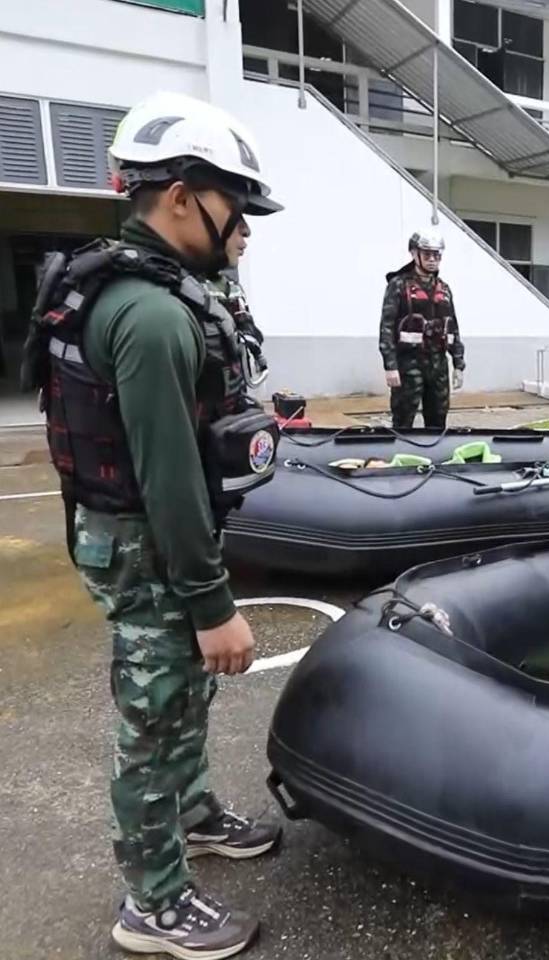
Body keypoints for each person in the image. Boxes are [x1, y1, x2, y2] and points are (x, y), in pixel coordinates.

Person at [23, 91, 285, 959]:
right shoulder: (152, 314)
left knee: (182, 693)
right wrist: (212, 605)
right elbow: (167, 475)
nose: (244, 228)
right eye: (235, 206)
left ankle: (195, 813)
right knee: (154, 713)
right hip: (146, 546)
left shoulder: (154, 289)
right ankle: (154, 902)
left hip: (146, 537)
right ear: (179, 196)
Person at [379, 228, 465, 430]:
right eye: (427, 254)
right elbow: (387, 327)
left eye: (437, 255)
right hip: (409, 364)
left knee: (438, 421)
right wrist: (390, 366)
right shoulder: (398, 285)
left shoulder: (444, 289)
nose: (432, 260)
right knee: (403, 420)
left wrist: (458, 363)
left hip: (438, 364)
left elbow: (453, 327)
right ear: (414, 254)